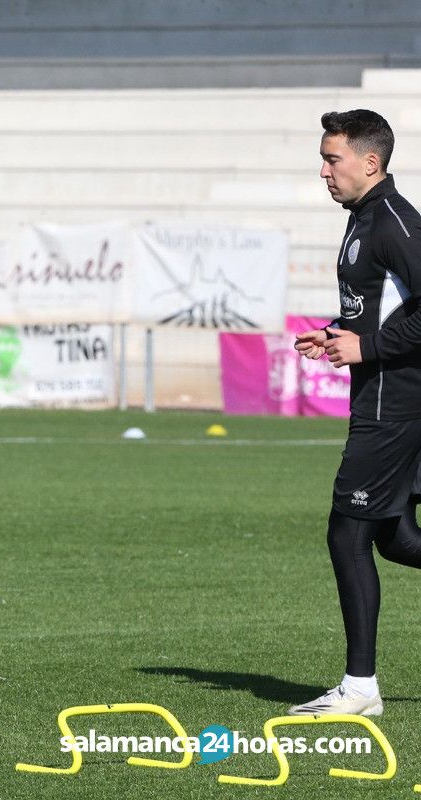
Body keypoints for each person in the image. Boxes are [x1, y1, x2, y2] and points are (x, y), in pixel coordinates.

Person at [292, 109, 421, 715]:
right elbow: (382, 308)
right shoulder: (362, 219)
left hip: (394, 405)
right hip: (380, 396)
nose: (324, 171)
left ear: (371, 162)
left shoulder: (394, 222)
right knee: (395, 540)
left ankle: (360, 689)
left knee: (347, 533)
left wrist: (367, 347)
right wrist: (336, 332)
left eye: (332, 158)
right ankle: (359, 687)